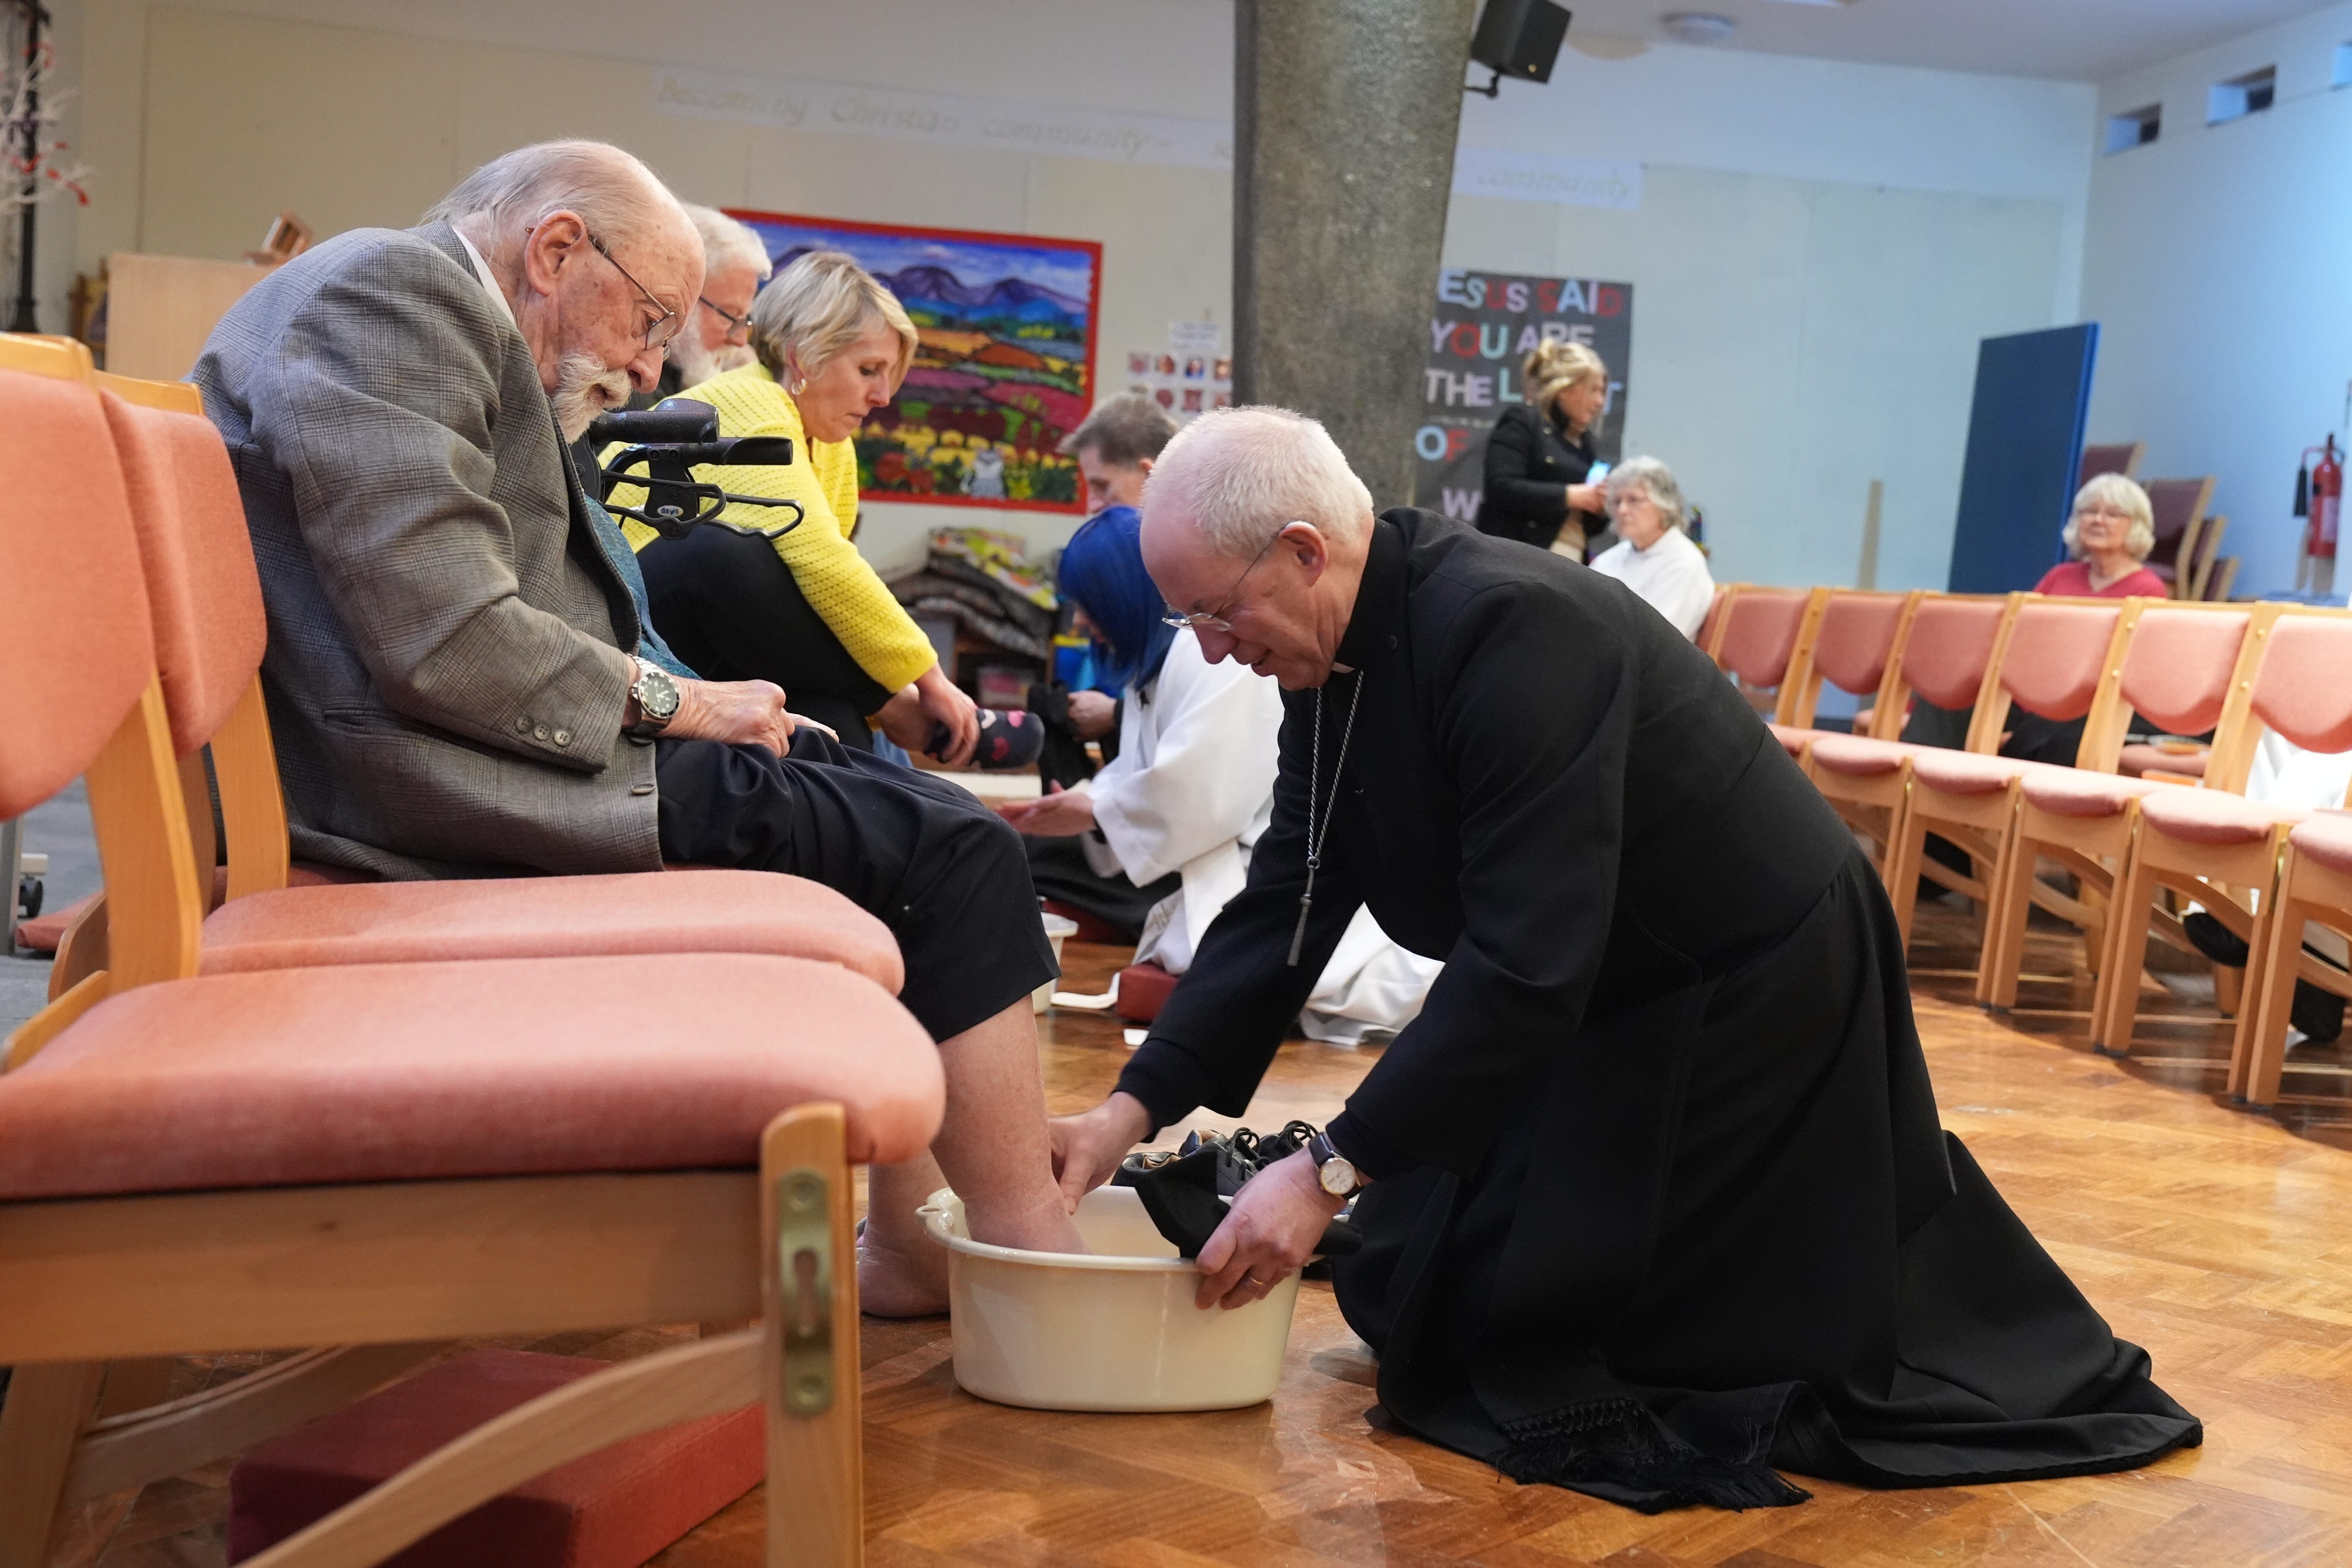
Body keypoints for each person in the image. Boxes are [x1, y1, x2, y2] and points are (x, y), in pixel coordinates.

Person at [1048, 406, 2199, 1512]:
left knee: (1558, 1337)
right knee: (1413, 1282)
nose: (1209, 647)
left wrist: (1332, 1165)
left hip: (1745, 973)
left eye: (1214, 611)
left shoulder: (1509, 625)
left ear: (1304, 551)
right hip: (1605, 977)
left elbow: (1525, 960)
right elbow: (1288, 901)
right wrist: (1127, 1109)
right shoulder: (1329, 656)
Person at [192, 140, 1082, 1317]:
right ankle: (1039, 1272)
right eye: (653, 318)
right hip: (445, 781)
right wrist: (690, 705)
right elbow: (449, 638)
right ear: (558, 248)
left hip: (478, 750)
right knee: (956, 846)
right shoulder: (391, 296)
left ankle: (917, 1250)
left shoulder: (434, 321)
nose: (654, 361)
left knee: (913, 810)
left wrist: (735, 717)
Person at [1004, 504, 1442, 1039]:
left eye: (1086, 605)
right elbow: (1149, 772)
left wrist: (1096, 811)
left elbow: (1205, 796)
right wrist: (1088, 806)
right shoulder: (1161, 662)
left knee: (1346, 977)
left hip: (1265, 856)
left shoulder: (1211, 653)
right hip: (1226, 856)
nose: (1078, 621)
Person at [607, 250, 987, 764]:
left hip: (708, 635)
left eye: (888, 375)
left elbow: (816, 597)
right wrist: (926, 680)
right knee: (730, 556)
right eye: (868, 370)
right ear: (801, 356)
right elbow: (822, 560)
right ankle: (897, 718)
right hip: (618, 619)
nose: (882, 397)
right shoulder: (754, 402)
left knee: (830, 713)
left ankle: (882, 796)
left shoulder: (832, 444)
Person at [1025, 394, 1182, 786]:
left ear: (1150, 477)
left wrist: (1114, 714)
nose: (1092, 505)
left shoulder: (1197, 592)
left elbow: (1193, 731)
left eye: (1101, 486)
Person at [1475, 339, 1611, 559]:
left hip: (1571, 564)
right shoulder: (1522, 422)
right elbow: (1500, 488)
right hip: (1518, 560)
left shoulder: (1586, 443)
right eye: (1594, 390)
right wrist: (1571, 496)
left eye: (1603, 393)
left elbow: (1589, 527)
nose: (1600, 402)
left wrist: (1602, 506)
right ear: (1564, 389)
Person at [1588, 457, 1715, 639]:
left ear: (1665, 505)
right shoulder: (1608, 560)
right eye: (1616, 501)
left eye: (1634, 500)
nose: (1622, 510)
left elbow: (1656, 641)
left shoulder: (1683, 563)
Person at [2033, 474, 2168, 598]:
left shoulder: (2148, 590)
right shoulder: (2060, 576)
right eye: (2091, 511)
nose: (2098, 520)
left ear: (2136, 526)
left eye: (2113, 514)